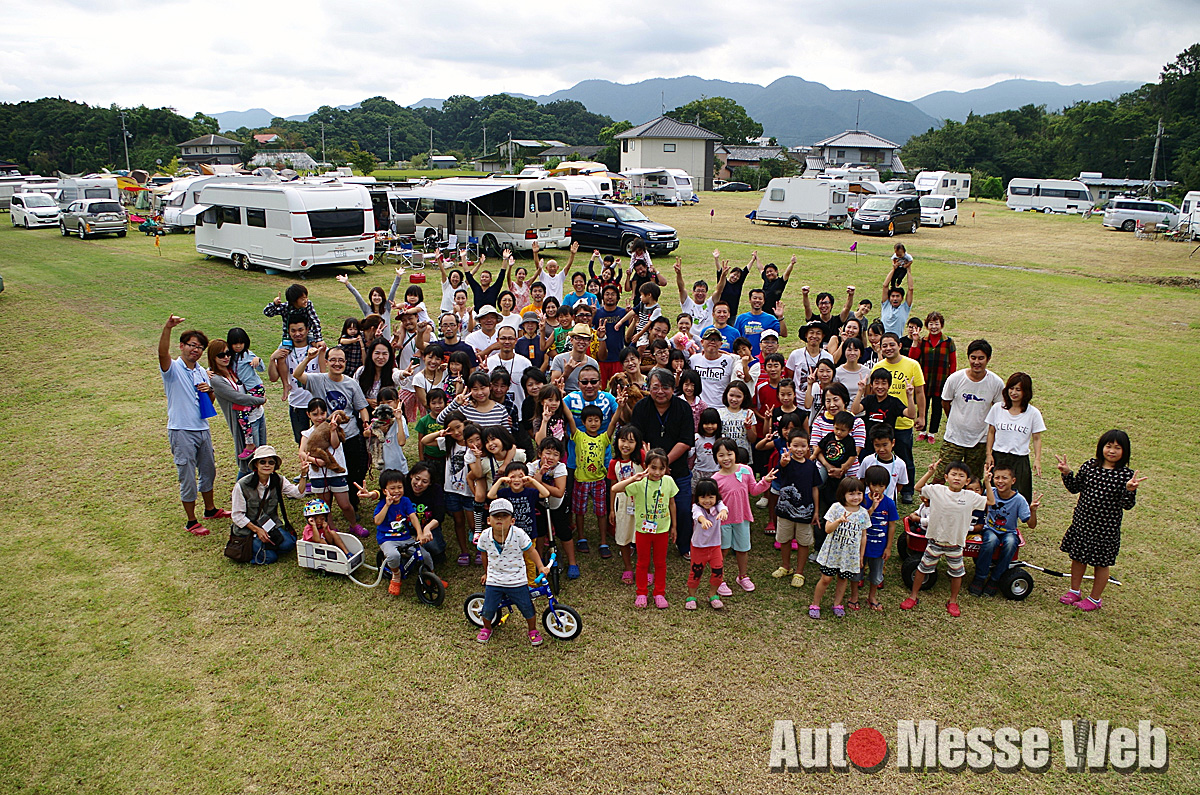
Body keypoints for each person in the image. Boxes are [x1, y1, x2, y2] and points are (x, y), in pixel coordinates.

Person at [1056, 430, 1144, 612]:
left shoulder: (1125, 476)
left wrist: (1129, 490)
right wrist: (1067, 473)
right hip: (1082, 523)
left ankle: (1095, 599)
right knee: (1078, 557)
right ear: (1101, 447)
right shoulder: (1089, 466)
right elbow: (1075, 488)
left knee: (1101, 563)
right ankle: (1074, 590)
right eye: (1108, 446)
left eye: (1117, 448)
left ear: (1124, 452)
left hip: (1106, 530)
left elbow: (1127, 505)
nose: (1112, 451)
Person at [158, 316, 227, 535]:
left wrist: (210, 391)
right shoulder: (173, 369)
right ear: (182, 346)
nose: (195, 350)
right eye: (191, 345)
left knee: (208, 469)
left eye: (199, 347)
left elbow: (208, 402)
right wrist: (168, 328)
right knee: (186, 474)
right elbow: (162, 354)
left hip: (202, 428)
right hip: (181, 430)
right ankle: (191, 521)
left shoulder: (200, 371)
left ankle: (210, 509)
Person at [901, 459, 994, 617]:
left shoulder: (970, 496)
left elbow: (991, 501)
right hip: (935, 540)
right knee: (922, 568)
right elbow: (918, 487)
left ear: (967, 481)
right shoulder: (937, 490)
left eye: (961, 475)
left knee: (957, 573)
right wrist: (930, 472)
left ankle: (952, 601)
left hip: (956, 543)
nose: (957, 478)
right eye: (953, 474)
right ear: (946, 477)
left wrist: (987, 481)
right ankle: (913, 596)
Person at [292, 343, 372, 511]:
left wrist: (366, 423)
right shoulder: (317, 379)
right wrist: (309, 358)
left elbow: (361, 407)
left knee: (354, 471)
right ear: (326, 362)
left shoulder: (351, 383)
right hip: (324, 438)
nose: (337, 364)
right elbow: (297, 374)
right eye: (333, 360)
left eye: (341, 360)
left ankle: (352, 503)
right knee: (328, 469)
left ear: (345, 362)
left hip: (349, 436)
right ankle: (328, 505)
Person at [630, 369, 695, 557]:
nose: (660, 392)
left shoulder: (683, 408)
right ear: (648, 387)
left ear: (673, 388)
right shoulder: (641, 407)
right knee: (643, 508)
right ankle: (637, 543)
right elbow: (637, 437)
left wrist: (664, 465)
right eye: (655, 387)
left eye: (665, 387)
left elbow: (686, 441)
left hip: (678, 469)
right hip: (646, 469)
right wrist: (653, 465)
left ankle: (683, 546)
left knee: (682, 509)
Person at [474, 498, 551, 646]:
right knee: (488, 608)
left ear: (512, 520)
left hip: (517, 580)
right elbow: (483, 554)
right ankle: (486, 628)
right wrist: (486, 573)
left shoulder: (519, 534)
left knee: (527, 607)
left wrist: (540, 566)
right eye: (496, 516)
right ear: (489, 520)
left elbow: (531, 550)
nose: (500, 519)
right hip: (494, 580)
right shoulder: (485, 536)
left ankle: (532, 630)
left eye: (505, 516)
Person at [611, 449, 679, 608]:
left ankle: (659, 593)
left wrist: (674, 526)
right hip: (643, 531)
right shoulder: (639, 483)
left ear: (666, 469)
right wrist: (634, 478)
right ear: (646, 466)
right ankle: (641, 592)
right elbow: (615, 489)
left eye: (661, 468)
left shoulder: (668, 481)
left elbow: (672, 503)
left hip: (662, 530)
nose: (657, 472)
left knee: (660, 563)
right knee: (642, 563)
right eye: (653, 467)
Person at [562, 401, 623, 572]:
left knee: (601, 512)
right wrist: (560, 397)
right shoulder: (578, 435)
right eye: (590, 420)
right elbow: (569, 418)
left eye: (597, 420)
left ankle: (603, 541)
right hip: (581, 480)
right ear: (584, 422)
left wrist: (620, 406)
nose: (593, 423)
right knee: (580, 511)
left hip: (599, 481)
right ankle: (581, 538)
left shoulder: (604, 437)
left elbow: (613, 423)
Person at [712, 439, 775, 594]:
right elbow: (713, 503)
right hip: (723, 521)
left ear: (736, 454)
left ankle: (742, 576)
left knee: (743, 549)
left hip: (742, 517)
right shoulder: (715, 479)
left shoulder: (746, 470)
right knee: (723, 550)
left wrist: (765, 481)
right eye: (721, 455)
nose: (726, 458)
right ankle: (719, 578)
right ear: (716, 458)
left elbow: (754, 490)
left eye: (729, 454)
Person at [937, 339, 1005, 482]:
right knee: (941, 475)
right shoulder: (955, 379)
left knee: (973, 480)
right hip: (953, 437)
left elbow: (999, 410)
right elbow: (945, 401)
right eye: (973, 358)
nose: (976, 362)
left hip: (980, 440)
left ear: (988, 359)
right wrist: (954, 420)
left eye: (981, 358)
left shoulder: (996, 383)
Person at [870, 332, 926, 503]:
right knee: (878, 457)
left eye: (891, 345)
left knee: (904, 456)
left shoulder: (912, 365)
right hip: (881, 422)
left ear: (900, 346)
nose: (888, 348)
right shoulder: (878, 366)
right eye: (884, 345)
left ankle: (907, 489)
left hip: (902, 421)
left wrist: (922, 416)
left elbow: (919, 392)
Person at [229, 446, 307, 565]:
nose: (267, 465)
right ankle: (249, 549)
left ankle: (264, 546)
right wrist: (257, 530)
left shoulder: (278, 480)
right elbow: (237, 516)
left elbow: (298, 493)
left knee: (289, 544)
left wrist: (303, 475)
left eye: (271, 462)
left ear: (275, 466)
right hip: (248, 530)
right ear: (256, 464)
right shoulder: (242, 485)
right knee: (270, 558)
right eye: (262, 462)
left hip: (270, 525)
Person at [971, 464, 1039, 597]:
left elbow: (1031, 525)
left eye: (1004, 478)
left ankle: (995, 579)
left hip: (1009, 531)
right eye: (997, 478)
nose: (1000, 481)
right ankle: (980, 577)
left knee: (1010, 543)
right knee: (990, 541)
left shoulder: (1019, 500)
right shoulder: (990, 493)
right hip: (990, 529)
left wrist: (1033, 511)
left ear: (1013, 480)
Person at [809, 478, 869, 619]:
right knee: (826, 579)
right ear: (843, 494)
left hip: (849, 555)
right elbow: (828, 529)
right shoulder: (836, 508)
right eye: (852, 494)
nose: (856, 497)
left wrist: (861, 556)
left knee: (843, 579)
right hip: (833, 553)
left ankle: (837, 604)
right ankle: (815, 604)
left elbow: (863, 536)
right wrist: (838, 521)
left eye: (859, 493)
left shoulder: (863, 513)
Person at [299, 398, 360, 535]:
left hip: (337, 473)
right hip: (318, 474)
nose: (319, 417)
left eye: (322, 413)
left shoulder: (334, 428)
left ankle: (354, 524)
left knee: (345, 504)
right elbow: (302, 453)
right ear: (308, 415)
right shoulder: (307, 433)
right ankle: (331, 528)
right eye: (315, 414)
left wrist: (333, 430)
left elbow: (335, 445)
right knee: (325, 504)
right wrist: (314, 460)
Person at [206, 339, 266, 477]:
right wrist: (260, 400)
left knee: (262, 454)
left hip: (257, 415)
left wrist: (257, 359)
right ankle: (241, 492)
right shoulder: (215, 379)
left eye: (228, 353)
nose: (226, 357)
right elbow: (237, 398)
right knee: (250, 462)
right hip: (243, 423)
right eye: (221, 355)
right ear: (213, 357)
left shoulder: (232, 369)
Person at [985, 372, 1046, 503]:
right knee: (993, 493)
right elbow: (991, 432)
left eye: (1018, 389)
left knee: (1018, 496)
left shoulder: (1033, 413)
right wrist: (988, 453)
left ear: (1026, 392)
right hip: (999, 457)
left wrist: (1038, 459)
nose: (1013, 392)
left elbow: (1037, 438)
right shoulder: (998, 408)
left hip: (1019, 459)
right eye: (1011, 389)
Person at [770, 431, 820, 589]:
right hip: (785, 511)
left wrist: (816, 510)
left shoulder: (811, 466)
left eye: (803, 446)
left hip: (805, 512)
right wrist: (784, 462)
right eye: (795, 445)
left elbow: (815, 488)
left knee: (803, 542)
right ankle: (786, 566)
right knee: (784, 539)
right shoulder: (786, 462)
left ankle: (799, 571)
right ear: (788, 446)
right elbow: (781, 468)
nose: (799, 449)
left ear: (808, 447)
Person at [269, 314, 322, 444]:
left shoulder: (316, 347)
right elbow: (273, 378)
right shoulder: (285, 350)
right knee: (302, 442)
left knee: (321, 440)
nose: (297, 334)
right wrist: (272, 359)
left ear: (307, 329)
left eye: (300, 330)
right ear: (288, 331)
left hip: (316, 401)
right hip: (297, 403)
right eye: (293, 330)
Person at [854, 466, 898, 612]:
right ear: (867, 484)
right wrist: (872, 507)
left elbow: (892, 526)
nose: (877, 489)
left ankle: (872, 597)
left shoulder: (889, 503)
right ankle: (854, 597)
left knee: (876, 574)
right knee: (856, 572)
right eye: (874, 485)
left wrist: (889, 547)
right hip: (860, 546)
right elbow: (860, 520)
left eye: (882, 485)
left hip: (879, 547)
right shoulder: (862, 500)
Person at [909, 311, 956, 444]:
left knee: (937, 407)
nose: (934, 326)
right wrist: (915, 341)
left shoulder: (948, 342)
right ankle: (922, 430)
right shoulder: (922, 341)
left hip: (941, 381)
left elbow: (953, 362)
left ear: (941, 325)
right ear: (927, 325)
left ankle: (932, 433)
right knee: (923, 405)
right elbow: (913, 357)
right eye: (931, 324)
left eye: (937, 324)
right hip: (924, 380)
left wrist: (950, 380)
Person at [607, 426, 644, 584]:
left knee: (642, 537)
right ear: (617, 442)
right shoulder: (613, 462)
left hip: (641, 503)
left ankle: (645, 568)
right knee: (623, 535)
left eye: (631, 441)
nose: (626, 445)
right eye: (623, 440)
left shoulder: (641, 458)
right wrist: (611, 510)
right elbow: (613, 487)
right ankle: (628, 567)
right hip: (622, 504)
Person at [687, 478, 730, 610]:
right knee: (696, 573)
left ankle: (712, 595)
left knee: (718, 572)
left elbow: (724, 508)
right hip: (698, 547)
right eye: (703, 497)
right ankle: (691, 596)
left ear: (716, 497)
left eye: (711, 497)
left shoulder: (718, 506)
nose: (707, 501)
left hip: (715, 546)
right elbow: (698, 515)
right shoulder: (696, 507)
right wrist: (703, 520)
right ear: (697, 498)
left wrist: (723, 512)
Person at [226, 327, 268, 455]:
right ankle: (250, 443)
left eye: (241, 343)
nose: (238, 346)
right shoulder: (230, 357)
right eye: (235, 343)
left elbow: (262, 368)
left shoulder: (248, 355)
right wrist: (208, 371)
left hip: (256, 388)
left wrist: (258, 361)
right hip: (246, 391)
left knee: (243, 415)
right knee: (244, 415)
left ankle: (250, 444)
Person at [337, 270, 404, 339]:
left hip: (385, 343)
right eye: (374, 295)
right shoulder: (367, 309)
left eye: (379, 295)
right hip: (370, 344)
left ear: (383, 297)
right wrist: (347, 283)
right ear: (371, 297)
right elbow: (357, 296)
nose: (377, 298)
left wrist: (398, 276)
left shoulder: (387, 308)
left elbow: (393, 292)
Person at [439, 371, 513, 430]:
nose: (480, 393)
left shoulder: (500, 410)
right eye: (475, 389)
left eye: (482, 388)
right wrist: (455, 403)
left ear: (490, 387)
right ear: (469, 390)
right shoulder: (465, 408)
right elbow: (440, 420)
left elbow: (507, 436)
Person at [689, 327, 739, 408]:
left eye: (716, 339)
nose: (712, 342)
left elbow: (744, 359)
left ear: (721, 344)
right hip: (699, 407)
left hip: (722, 407)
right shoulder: (694, 360)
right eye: (709, 339)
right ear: (702, 342)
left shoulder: (730, 360)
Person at [855, 426, 908, 502]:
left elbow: (900, 484)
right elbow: (862, 479)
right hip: (868, 501)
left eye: (885, 445)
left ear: (893, 443)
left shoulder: (900, 464)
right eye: (877, 445)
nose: (881, 449)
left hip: (888, 502)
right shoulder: (868, 460)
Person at [263, 283, 323, 349]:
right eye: (302, 299)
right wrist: (274, 304)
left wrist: (318, 339)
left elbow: (315, 321)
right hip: (289, 336)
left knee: (321, 347)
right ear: (293, 301)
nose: (305, 300)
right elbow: (267, 313)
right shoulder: (285, 307)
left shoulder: (308, 305)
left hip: (307, 333)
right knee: (282, 353)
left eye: (306, 297)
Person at [675, 256, 727, 331]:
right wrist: (678, 274)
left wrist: (723, 276)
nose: (700, 293)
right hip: (690, 339)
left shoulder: (710, 303)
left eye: (703, 291)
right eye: (698, 291)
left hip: (706, 339)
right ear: (693, 292)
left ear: (706, 293)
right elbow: (681, 288)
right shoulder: (687, 303)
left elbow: (719, 290)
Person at [486, 326, 533, 404]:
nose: (507, 342)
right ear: (497, 340)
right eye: (503, 338)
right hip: (494, 412)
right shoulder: (488, 362)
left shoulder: (525, 363)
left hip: (519, 410)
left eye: (510, 338)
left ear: (516, 340)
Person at [734, 288, 785, 356]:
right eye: (755, 298)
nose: (757, 301)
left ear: (764, 301)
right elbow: (736, 339)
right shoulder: (741, 318)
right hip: (746, 357)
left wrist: (780, 317)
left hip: (764, 357)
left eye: (760, 298)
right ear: (750, 300)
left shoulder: (770, 318)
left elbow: (783, 334)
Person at [593, 284, 627, 384]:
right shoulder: (597, 313)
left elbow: (630, 331)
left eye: (613, 294)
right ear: (603, 297)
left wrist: (631, 316)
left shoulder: (622, 312)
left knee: (618, 387)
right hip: (600, 359)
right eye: (607, 294)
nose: (610, 297)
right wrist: (592, 314)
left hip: (618, 358)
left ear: (617, 297)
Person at [413, 389, 448, 484]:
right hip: (430, 457)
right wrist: (421, 459)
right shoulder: (424, 421)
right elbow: (420, 441)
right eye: (433, 403)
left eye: (440, 402)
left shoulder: (448, 419)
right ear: (428, 404)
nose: (437, 406)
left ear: (445, 403)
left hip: (445, 457)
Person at [551, 324, 599, 393]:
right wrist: (566, 373)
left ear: (589, 342)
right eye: (578, 338)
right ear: (571, 340)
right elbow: (553, 387)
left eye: (585, 339)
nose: (582, 342)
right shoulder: (559, 359)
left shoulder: (593, 363)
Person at [717, 381, 756, 462]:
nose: (734, 399)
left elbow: (753, 439)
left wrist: (748, 428)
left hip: (743, 456)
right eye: (731, 395)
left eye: (738, 396)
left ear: (744, 397)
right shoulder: (719, 413)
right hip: (724, 456)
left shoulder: (748, 413)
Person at [879, 266, 914, 337]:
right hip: (883, 340)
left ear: (902, 298)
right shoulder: (886, 305)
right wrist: (893, 269)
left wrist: (908, 270)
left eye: (897, 296)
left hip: (897, 341)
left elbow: (911, 289)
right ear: (889, 298)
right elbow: (885, 285)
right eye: (893, 296)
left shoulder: (905, 308)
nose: (895, 299)